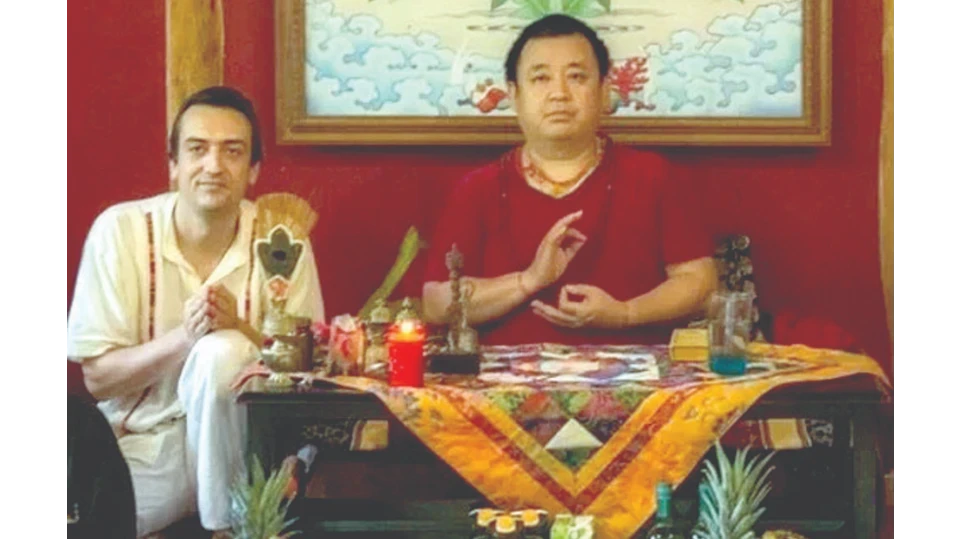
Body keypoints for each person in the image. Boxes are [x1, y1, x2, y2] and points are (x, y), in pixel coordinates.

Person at [66, 86, 325, 538]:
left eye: (232, 151)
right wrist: (185, 338)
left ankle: (225, 527)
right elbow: (99, 379)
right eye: (197, 149)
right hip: (145, 447)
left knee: (222, 351)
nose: (213, 166)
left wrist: (238, 328)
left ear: (253, 170)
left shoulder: (282, 240)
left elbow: (309, 371)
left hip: (244, 454)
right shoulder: (120, 231)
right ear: (174, 164)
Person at [422, 15, 717, 345]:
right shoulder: (479, 188)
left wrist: (626, 313)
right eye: (541, 78)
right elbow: (436, 303)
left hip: (634, 372)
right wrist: (529, 280)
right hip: (505, 375)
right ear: (514, 95)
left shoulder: (653, 176)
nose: (559, 94)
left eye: (576, 77)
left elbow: (699, 282)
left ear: (604, 92)